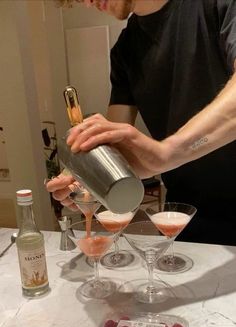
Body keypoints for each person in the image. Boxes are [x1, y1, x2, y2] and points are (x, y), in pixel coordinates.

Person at [47, 0, 236, 245]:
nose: (85, 1)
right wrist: (88, 179)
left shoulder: (217, 5)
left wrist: (166, 152)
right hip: (184, 216)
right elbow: (116, 152)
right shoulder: (125, 50)